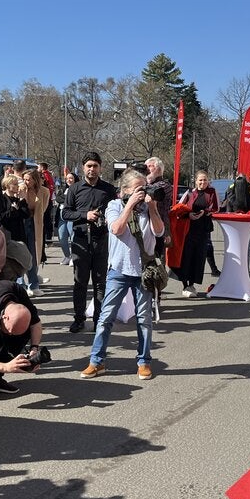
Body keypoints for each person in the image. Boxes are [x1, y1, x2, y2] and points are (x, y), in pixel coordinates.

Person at [80, 168, 164, 381]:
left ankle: (144, 362)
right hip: (118, 270)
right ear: (124, 190)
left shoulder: (147, 208)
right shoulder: (114, 206)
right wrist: (129, 205)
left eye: (143, 188)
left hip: (143, 271)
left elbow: (160, 231)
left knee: (144, 319)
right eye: (137, 189)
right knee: (106, 317)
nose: (141, 193)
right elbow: (116, 229)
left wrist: (152, 208)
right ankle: (96, 362)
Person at [61, 153, 117, 333]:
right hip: (80, 240)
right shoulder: (75, 189)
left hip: (101, 240)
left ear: (100, 167)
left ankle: (99, 319)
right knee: (80, 282)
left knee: (100, 283)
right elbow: (66, 213)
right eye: (89, 166)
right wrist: (85, 215)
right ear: (83, 167)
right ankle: (79, 319)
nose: (92, 169)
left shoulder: (108, 189)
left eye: (95, 166)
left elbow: (115, 210)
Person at [173, 170, 219, 298]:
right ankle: (184, 285)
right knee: (185, 257)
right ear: (196, 181)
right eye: (200, 180)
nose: (203, 182)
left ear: (208, 180)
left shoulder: (211, 192)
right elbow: (178, 208)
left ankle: (191, 285)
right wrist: (189, 215)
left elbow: (216, 207)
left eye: (205, 180)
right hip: (188, 229)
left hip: (203, 230)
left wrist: (205, 212)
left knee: (198, 258)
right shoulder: (189, 193)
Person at [21, 168, 50, 296]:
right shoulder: (21, 189)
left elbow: (43, 209)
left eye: (28, 179)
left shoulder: (44, 191)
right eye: (24, 179)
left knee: (33, 254)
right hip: (21, 223)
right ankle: (20, 285)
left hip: (35, 223)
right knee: (19, 253)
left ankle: (33, 284)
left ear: (35, 180)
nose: (26, 182)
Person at [145, 156, 173, 260]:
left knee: (157, 262)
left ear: (159, 169)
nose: (146, 169)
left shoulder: (165, 185)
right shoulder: (146, 184)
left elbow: (152, 192)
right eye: (145, 167)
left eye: (149, 166)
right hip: (145, 229)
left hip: (159, 229)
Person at [56, 172, 77, 265]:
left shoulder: (78, 188)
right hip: (61, 215)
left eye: (71, 178)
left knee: (73, 236)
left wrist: (65, 198)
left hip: (71, 215)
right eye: (67, 178)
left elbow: (73, 201)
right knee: (62, 237)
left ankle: (74, 257)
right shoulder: (63, 189)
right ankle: (67, 256)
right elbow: (58, 199)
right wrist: (66, 198)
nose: (69, 180)